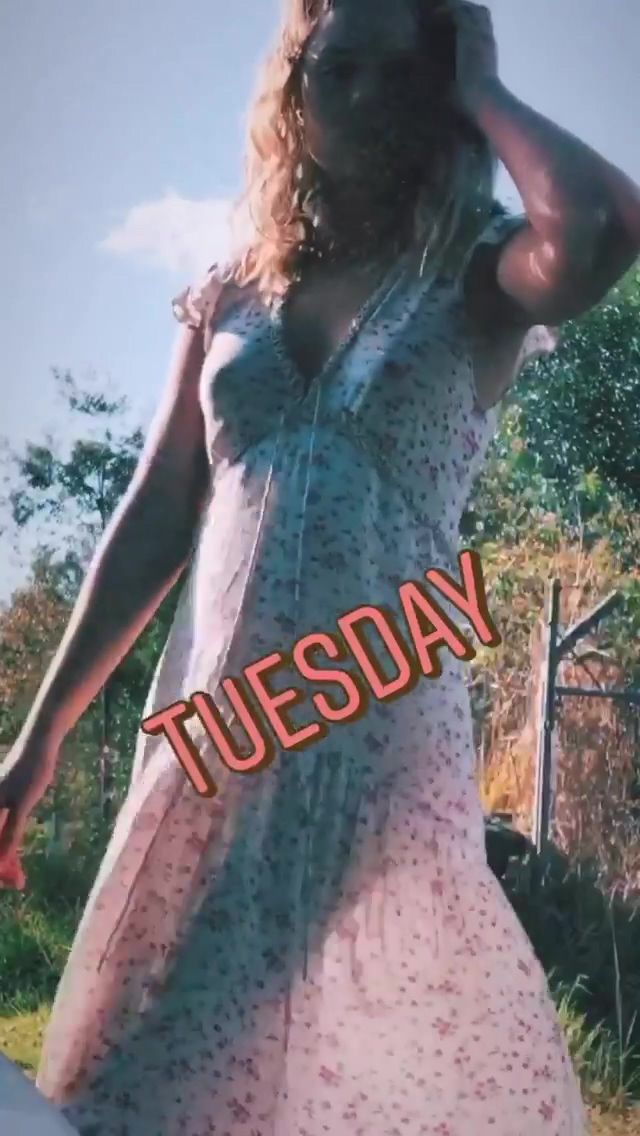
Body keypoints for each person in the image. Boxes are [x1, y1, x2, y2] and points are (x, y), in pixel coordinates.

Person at [1, 1, 638, 1132]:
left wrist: (485, 87)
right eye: (336, 69)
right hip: (214, 734)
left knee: (263, 1054)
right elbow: (155, 515)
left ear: (436, 93)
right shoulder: (229, 291)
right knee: (174, 1063)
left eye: (401, 74)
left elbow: (601, 226)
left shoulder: (478, 269)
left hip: (372, 725)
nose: (363, 98)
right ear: (294, 88)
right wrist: (38, 738)